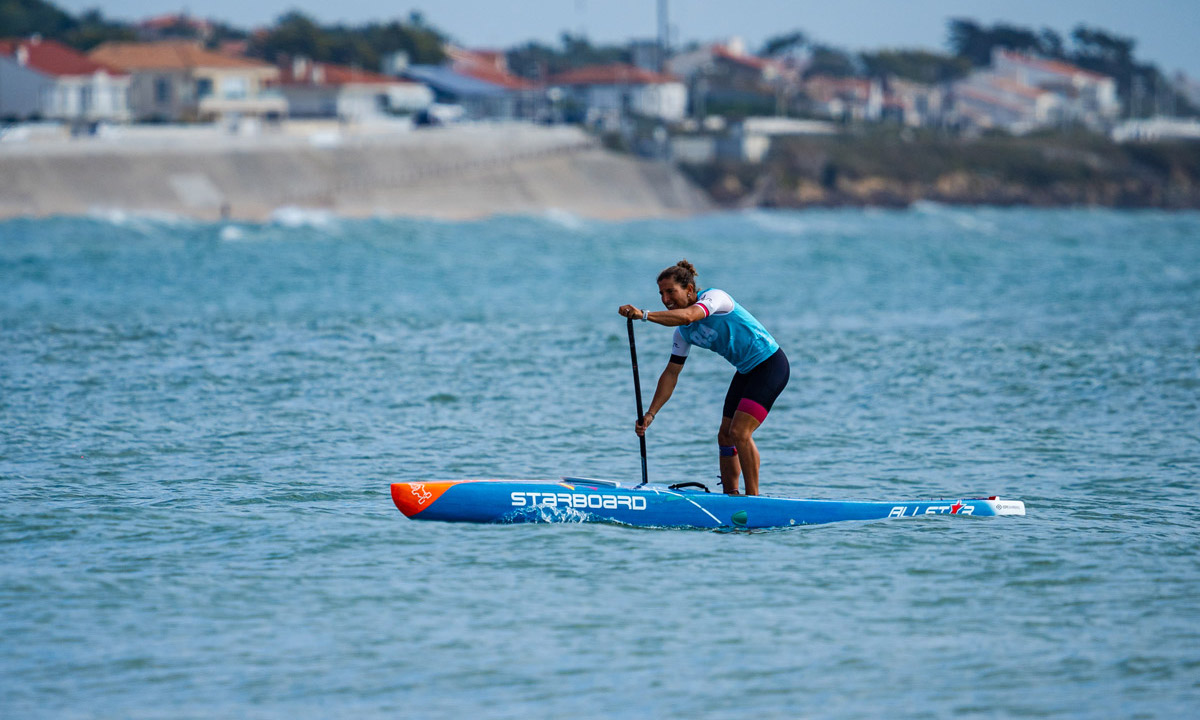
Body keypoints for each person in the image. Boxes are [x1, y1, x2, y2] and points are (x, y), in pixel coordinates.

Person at [619, 260, 789, 496]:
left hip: (770, 364)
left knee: (740, 432)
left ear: (689, 290)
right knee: (725, 435)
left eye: (671, 292)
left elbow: (689, 315)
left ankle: (753, 499)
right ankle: (731, 496)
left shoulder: (716, 298)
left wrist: (644, 315)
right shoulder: (682, 334)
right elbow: (671, 374)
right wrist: (650, 414)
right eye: (661, 293)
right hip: (745, 370)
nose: (665, 299)